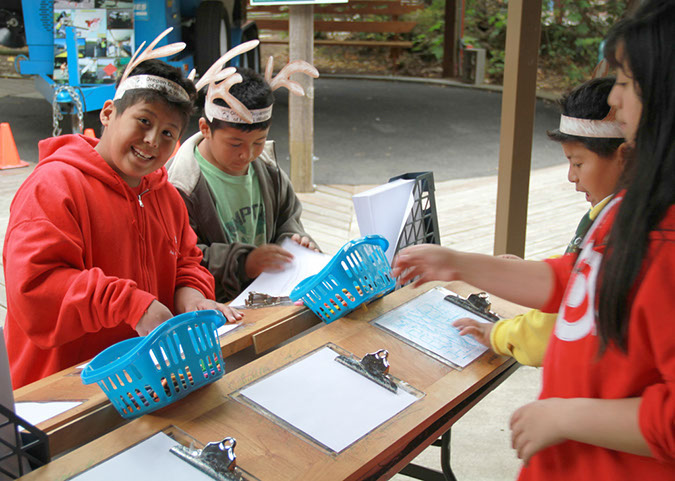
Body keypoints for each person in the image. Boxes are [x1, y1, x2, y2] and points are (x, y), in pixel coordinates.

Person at [392, 0, 675, 478]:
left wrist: (566, 414)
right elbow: (578, 284)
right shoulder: (632, 208)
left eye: (626, 82)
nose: (614, 100)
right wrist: (461, 263)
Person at [2, 31, 242, 389]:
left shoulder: (167, 196)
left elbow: (186, 262)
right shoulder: (54, 186)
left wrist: (190, 293)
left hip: (139, 383)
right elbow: (35, 288)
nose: (151, 141)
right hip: (60, 391)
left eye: (167, 133)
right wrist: (131, 304)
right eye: (144, 121)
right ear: (109, 113)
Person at [454, 76, 626, 366]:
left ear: (624, 156)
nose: (571, 176)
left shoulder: (621, 230)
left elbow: (561, 321)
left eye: (578, 163)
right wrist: (529, 271)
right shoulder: (617, 213)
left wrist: (498, 333)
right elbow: (577, 267)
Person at [168, 49, 320, 303]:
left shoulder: (268, 170)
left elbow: (288, 218)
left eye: (258, 142)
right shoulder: (180, 186)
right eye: (235, 144)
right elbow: (182, 259)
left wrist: (295, 242)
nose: (247, 155)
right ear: (205, 128)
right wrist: (244, 263)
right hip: (218, 306)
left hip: (272, 294)